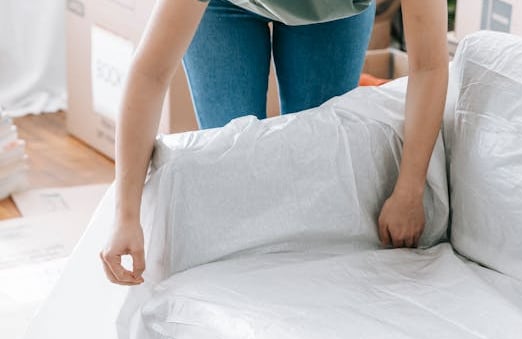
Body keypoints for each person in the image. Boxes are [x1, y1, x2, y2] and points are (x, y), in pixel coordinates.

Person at [100, 0, 449, 286]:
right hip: (226, 6)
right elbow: (150, 73)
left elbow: (429, 66)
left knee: (319, 165)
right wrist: (126, 216)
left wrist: (409, 190)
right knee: (232, 173)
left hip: (334, 12)